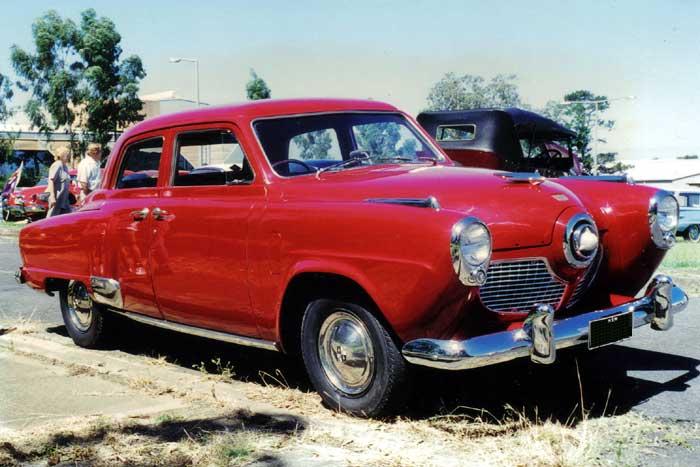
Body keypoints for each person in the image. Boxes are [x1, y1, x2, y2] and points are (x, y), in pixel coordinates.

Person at [46, 147, 72, 218]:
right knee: (51, 219)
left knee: (67, 219)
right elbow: (51, 180)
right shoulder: (57, 165)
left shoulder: (65, 167)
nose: (68, 156)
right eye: (66, 154)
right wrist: (52, 197)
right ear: (60, 155)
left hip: (64, 200)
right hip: (57, 199)